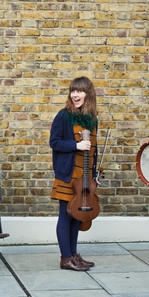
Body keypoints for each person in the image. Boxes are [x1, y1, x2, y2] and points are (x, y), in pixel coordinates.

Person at [49, 77, 99, 271]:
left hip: (84, 177)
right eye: (73, 91)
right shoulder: (64, 116)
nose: (75, 95)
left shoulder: (92, 119)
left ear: (88, 94)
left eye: (80, 91)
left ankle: (74, 255)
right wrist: (76, 145)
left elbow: (94, 149)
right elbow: (55, 142)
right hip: (68, 175)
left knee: (77, 216)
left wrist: (94, 176)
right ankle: (65, 258)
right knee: (65, 215)